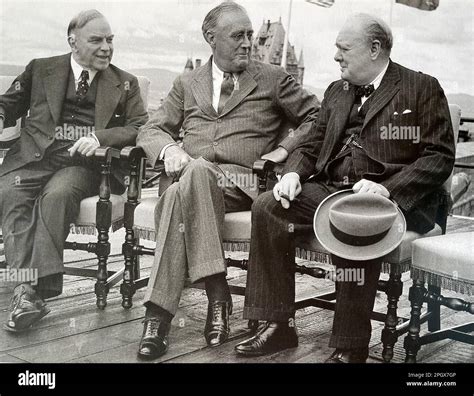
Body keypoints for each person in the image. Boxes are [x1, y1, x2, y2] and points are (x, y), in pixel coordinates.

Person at [235, 13, 455, 363]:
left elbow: (439, 156)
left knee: (357, 220)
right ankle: (278, 324)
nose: (335, 56)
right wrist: (293, 173)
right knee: (268, 207)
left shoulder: (421, 87)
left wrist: (389, 190)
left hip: (389, 198)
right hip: (331, 189)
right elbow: (311, 144)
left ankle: (350, 346)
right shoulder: (337, 91)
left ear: (374, 49)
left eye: (343, 49)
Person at [135, 1, 319, 360]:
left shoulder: (272, 78)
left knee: (189, 180)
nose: (248, 42)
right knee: (189, 181)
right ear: (211, 38)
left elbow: (317, 116)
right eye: (238, 35)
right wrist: (170, 150)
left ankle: (159, 317)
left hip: (242, 183)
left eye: (251, 35)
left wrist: (283, 148)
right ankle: (215, 295)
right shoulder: (187, 82)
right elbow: (151, 127)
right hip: (191, 179)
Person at [0, 9, 148, 332]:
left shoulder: (125, 83)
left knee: (58, 196)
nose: (106, 47)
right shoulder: (41, 69)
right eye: (97, 40)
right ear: (73, 41)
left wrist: (99, 138)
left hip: (85, 164)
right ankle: (26, 291)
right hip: (35, 158)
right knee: (8, 192)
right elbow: (8, 104)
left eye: (110, 40)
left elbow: (140, 127)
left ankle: (30, 291)